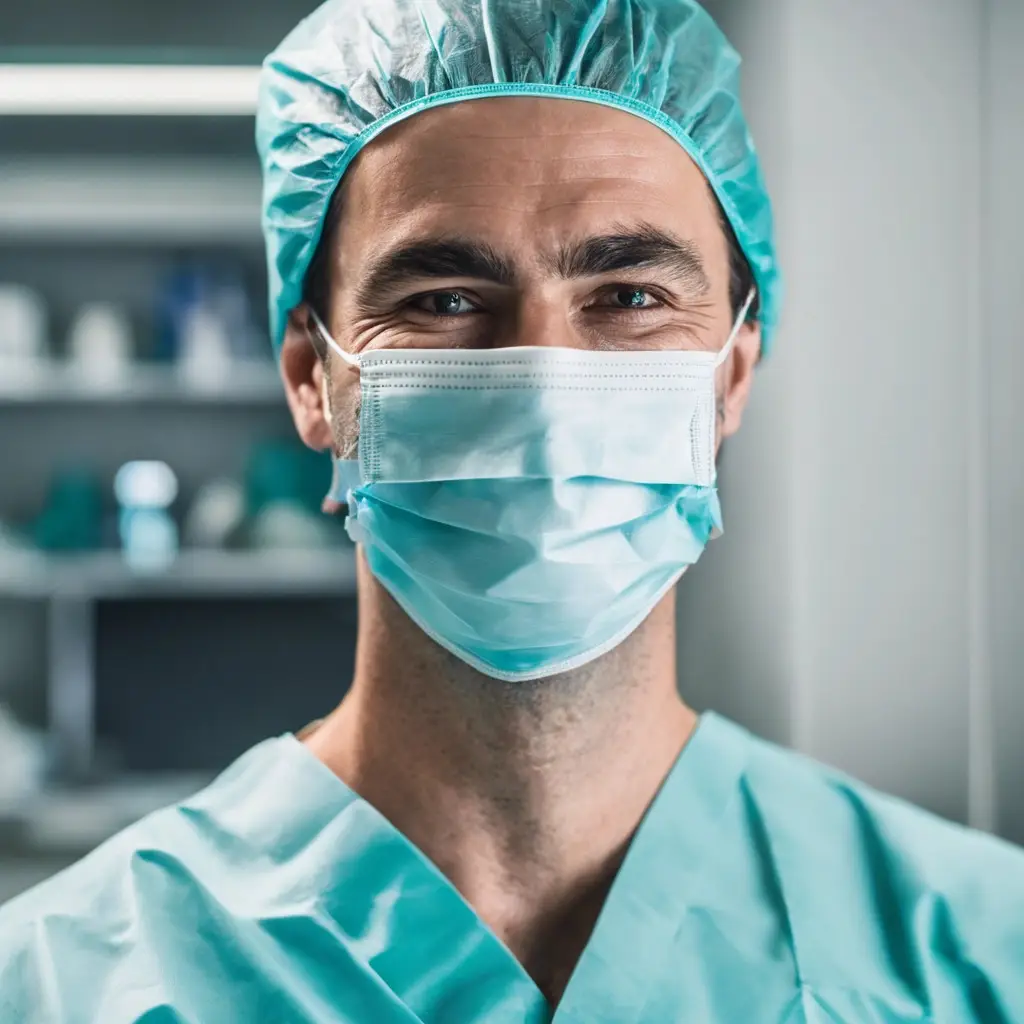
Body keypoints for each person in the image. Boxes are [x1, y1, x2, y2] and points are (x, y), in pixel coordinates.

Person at [2, 1, 1022, 1021]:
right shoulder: (60, 982)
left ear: (732, 376)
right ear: (314, 379)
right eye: (444, 299)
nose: (542, 389)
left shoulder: (978, 953)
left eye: (629, 298)